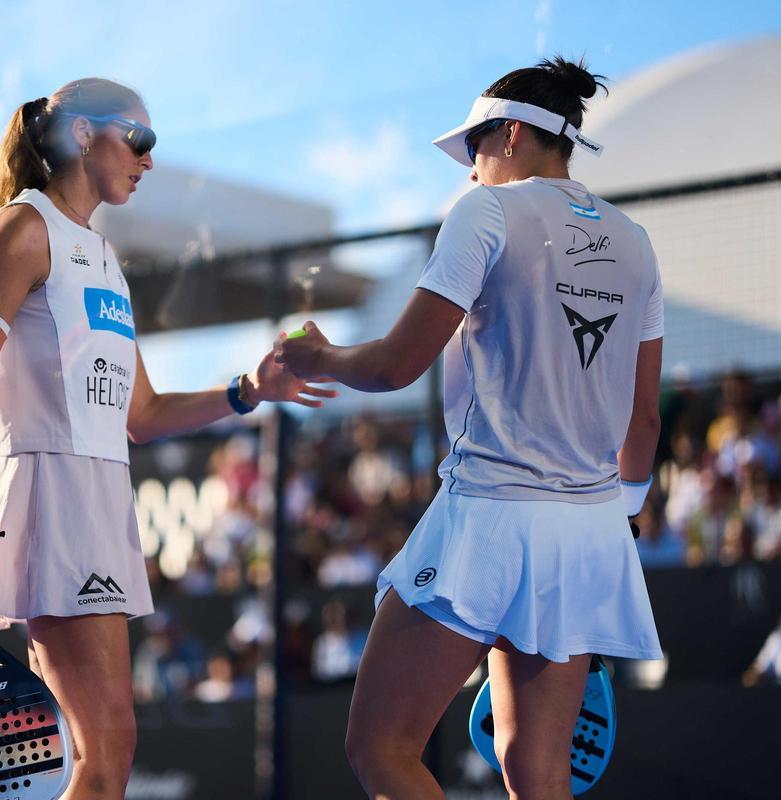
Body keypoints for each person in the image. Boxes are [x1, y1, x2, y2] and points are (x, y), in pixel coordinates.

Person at [0, 78, 336, 800]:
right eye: (139, 140)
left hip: (102, 491)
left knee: (109, 747)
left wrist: (249, 390)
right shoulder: (24, 228)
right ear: (83, 135)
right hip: (47, 491)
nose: (149, 160)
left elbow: (141, 413)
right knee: (108, 745)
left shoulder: (102, 256)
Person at [276, 57, 664, 800]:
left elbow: (395, 366)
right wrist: (626, 517)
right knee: (538, 774)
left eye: (476, 152)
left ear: (512, 134)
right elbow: (642, 422)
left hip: (490, 516)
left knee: (380, 749)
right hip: (590, 534)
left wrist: (316, 354)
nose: (470, 171)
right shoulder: (635, 242)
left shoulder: (487, 211)